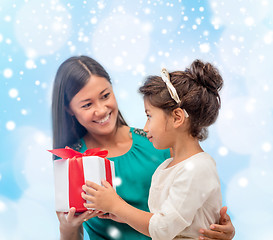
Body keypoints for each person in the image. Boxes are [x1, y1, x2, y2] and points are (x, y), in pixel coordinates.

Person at [51, 55, 235, 240]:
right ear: (69, 109)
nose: (101, 110)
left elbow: (195, 203)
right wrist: (67, 229)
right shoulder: (73, 162)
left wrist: (221, 229)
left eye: (105, 95)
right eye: (87, 104)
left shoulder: (158, 142)